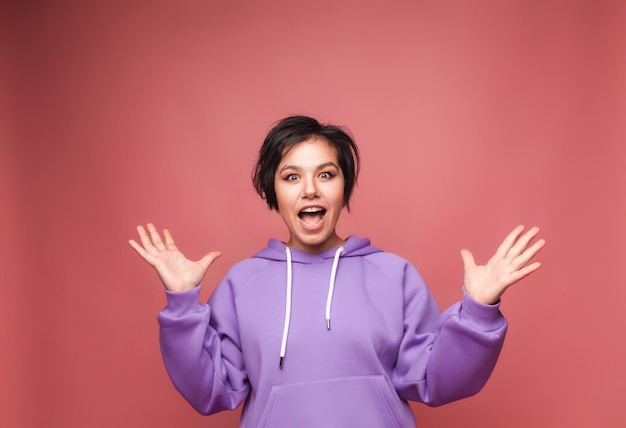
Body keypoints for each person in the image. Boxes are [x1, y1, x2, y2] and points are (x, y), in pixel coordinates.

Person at [129, 115, 545, 427]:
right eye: (291, 176)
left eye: (325, 174)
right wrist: (182, 306)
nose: (310, 189)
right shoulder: (243, 283)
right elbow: (210, 391)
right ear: (273, 191)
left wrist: (479, 311)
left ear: (343, 186)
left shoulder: (392, 274)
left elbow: (437, 380)